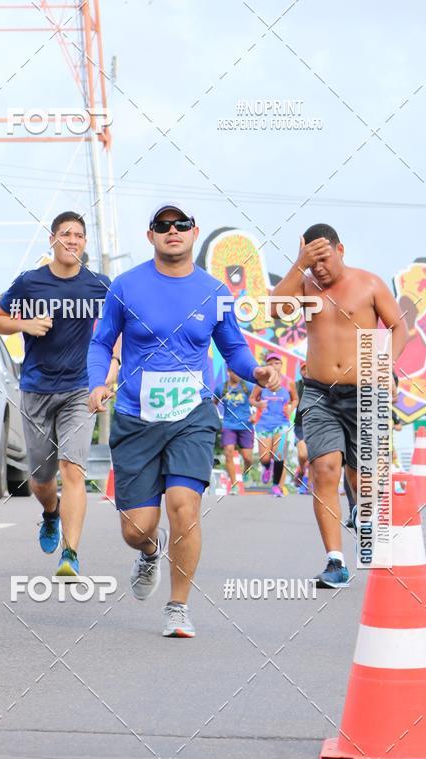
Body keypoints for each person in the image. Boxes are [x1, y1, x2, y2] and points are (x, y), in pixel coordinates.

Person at [87, 203, 280, 638]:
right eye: (163, 225)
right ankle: (149, 551)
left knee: (184, 507)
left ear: (195, 233)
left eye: (181, 225)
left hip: (191, 414)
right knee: (136, 527)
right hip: (136, 416)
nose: (172, 231)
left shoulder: (213, 293)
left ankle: (178, 606)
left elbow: (234, 350)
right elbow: (101, 342)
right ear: (150, 235)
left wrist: (257, 372)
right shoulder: (126, 286)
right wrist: (97, 382)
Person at [271, 224, 408, 587]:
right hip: (318, 393)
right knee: (324, 470)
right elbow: (274, 310)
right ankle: (335, 562)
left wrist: (386, 368)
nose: (320, 269)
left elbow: (398, 327)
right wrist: (299, 265)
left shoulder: (370, 284)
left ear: (341, 249)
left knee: (361, 478)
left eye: (324, 259)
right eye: (312, 262)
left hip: (365, 393)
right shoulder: (304, 285)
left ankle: (360, 510)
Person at [0, 211, 118, 577]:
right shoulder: (29, 282)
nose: (72, 240)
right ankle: (50, 513)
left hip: (79, 389)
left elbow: (119, 324)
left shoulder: (99, 284)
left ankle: (71, 554)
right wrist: (25, 324)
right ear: (52, 240)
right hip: (36, 389)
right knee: (42, 479)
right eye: (66, 234)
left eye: (79, 235)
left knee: (72, 468)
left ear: (84, 243)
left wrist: (111, 368)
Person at [249, 352, 296, 497]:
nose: (273, 366)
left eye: (277, 363)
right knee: (264, 457)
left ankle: (276, 486)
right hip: (264, 424)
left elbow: (295, 399)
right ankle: (266, 466)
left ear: (281, 365)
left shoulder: (288, 383)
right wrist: (258, 404)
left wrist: (290, 408)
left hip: (281, 424)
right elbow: (251, 399)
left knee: (279, 454)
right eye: (270, 363)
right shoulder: (262, 383)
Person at [214, 368, 255, 494]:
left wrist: (255, 415)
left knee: (248, 458)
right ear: (229, 372)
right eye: (234, 372)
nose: (237, 374)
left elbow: (259, 401)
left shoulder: (248, 387)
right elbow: (213, 403)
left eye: (238, 372)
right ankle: (234, 485)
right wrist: (214, 419)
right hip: (229, 425)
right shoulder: (222, 388)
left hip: (246, 425)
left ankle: (246, 472)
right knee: (228, 452)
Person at [293, 360, 310, 494]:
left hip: (316, 424)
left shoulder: (319, 385)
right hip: (300, 425)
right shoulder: (296, 386)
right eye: (303, 369)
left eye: (308, 368)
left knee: (313, 456)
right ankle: (301, 469)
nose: (306, 371)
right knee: (303, 454)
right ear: (300, 371)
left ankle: (306, 482)